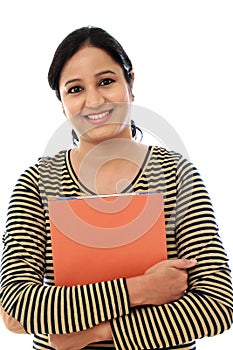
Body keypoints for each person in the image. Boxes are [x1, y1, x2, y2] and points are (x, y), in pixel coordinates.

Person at [0, 26, 233, 350]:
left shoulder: (175, 174)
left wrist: (94, 332)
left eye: (106, 81)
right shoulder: (37, 181)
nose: (94, 100)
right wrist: (140, 289)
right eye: (75, 89)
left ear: (130, 83)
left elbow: (217, 306)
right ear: (62, 102)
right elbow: (16, 310)